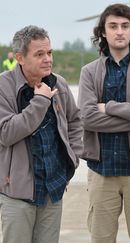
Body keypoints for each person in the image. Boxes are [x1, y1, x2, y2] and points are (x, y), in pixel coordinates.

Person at [78, 4, 130, 243]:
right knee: (101, 238)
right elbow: (87, 117)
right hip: (101, 170)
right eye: (113, 26)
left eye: (125, 26)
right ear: (103, 32)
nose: (119, 31)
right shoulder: (89, 72)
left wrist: (112, 107)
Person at [0, 25, 83, 243]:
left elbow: (75, 121)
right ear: (20, 57)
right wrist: (41, 101)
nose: (47, 59)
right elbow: (6, 133)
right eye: (39, 54)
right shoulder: (3, 87)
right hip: (17, 194)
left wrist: (71, 161)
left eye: (49, 53)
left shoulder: (59, 84)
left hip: (52, 191)